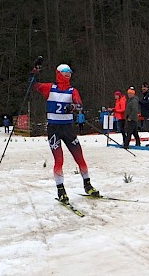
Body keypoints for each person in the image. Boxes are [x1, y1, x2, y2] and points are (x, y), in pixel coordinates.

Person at [32, 63, 99, 204]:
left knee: (80, 158)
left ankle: (88, 185)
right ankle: (61, 190)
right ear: (58, 73)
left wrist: (73, 107)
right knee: (59, 160)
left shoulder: (72, 90)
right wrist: (34, 73)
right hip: (54, 129)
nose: (68, 73)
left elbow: (80, 105)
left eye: (69, 71)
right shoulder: (50, 87)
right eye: (65, 71)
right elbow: (33, 86)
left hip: (68, 129)